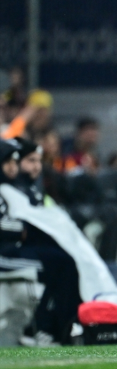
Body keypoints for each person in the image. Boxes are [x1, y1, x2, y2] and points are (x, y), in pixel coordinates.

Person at [0, 139, 81, 346]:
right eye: (7, 162)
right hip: (5, 255)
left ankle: (59, 326)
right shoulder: (7, 191)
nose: (12, 167)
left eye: (14, 162)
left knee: (65, 261)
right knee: (60, 265)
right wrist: (23, 229)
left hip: (13, 251)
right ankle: (43, 327)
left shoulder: (18, 189)